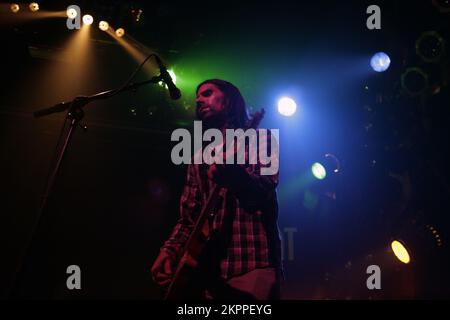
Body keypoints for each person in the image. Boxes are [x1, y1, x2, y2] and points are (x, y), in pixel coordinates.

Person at [151, 79, 282, 299]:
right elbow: (189, 219)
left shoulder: (261, 139)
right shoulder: (198, 159)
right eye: (198, 97)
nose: (199, 100)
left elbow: (262, 193)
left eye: (207, 93)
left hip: (253, 264)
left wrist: (235, 177)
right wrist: (169, 250)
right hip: (208, 273)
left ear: (228, 101)